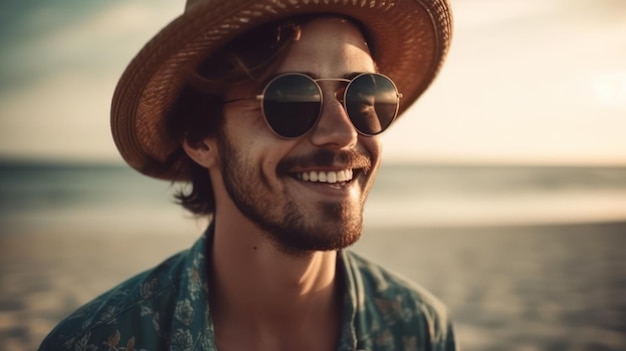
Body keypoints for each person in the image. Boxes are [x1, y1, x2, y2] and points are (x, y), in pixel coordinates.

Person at [39, 0, 457, 350]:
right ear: (201, 138)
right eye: (291, 98)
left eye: (365, 95)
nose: (342, 132)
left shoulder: (418, 329)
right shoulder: (96, 341)